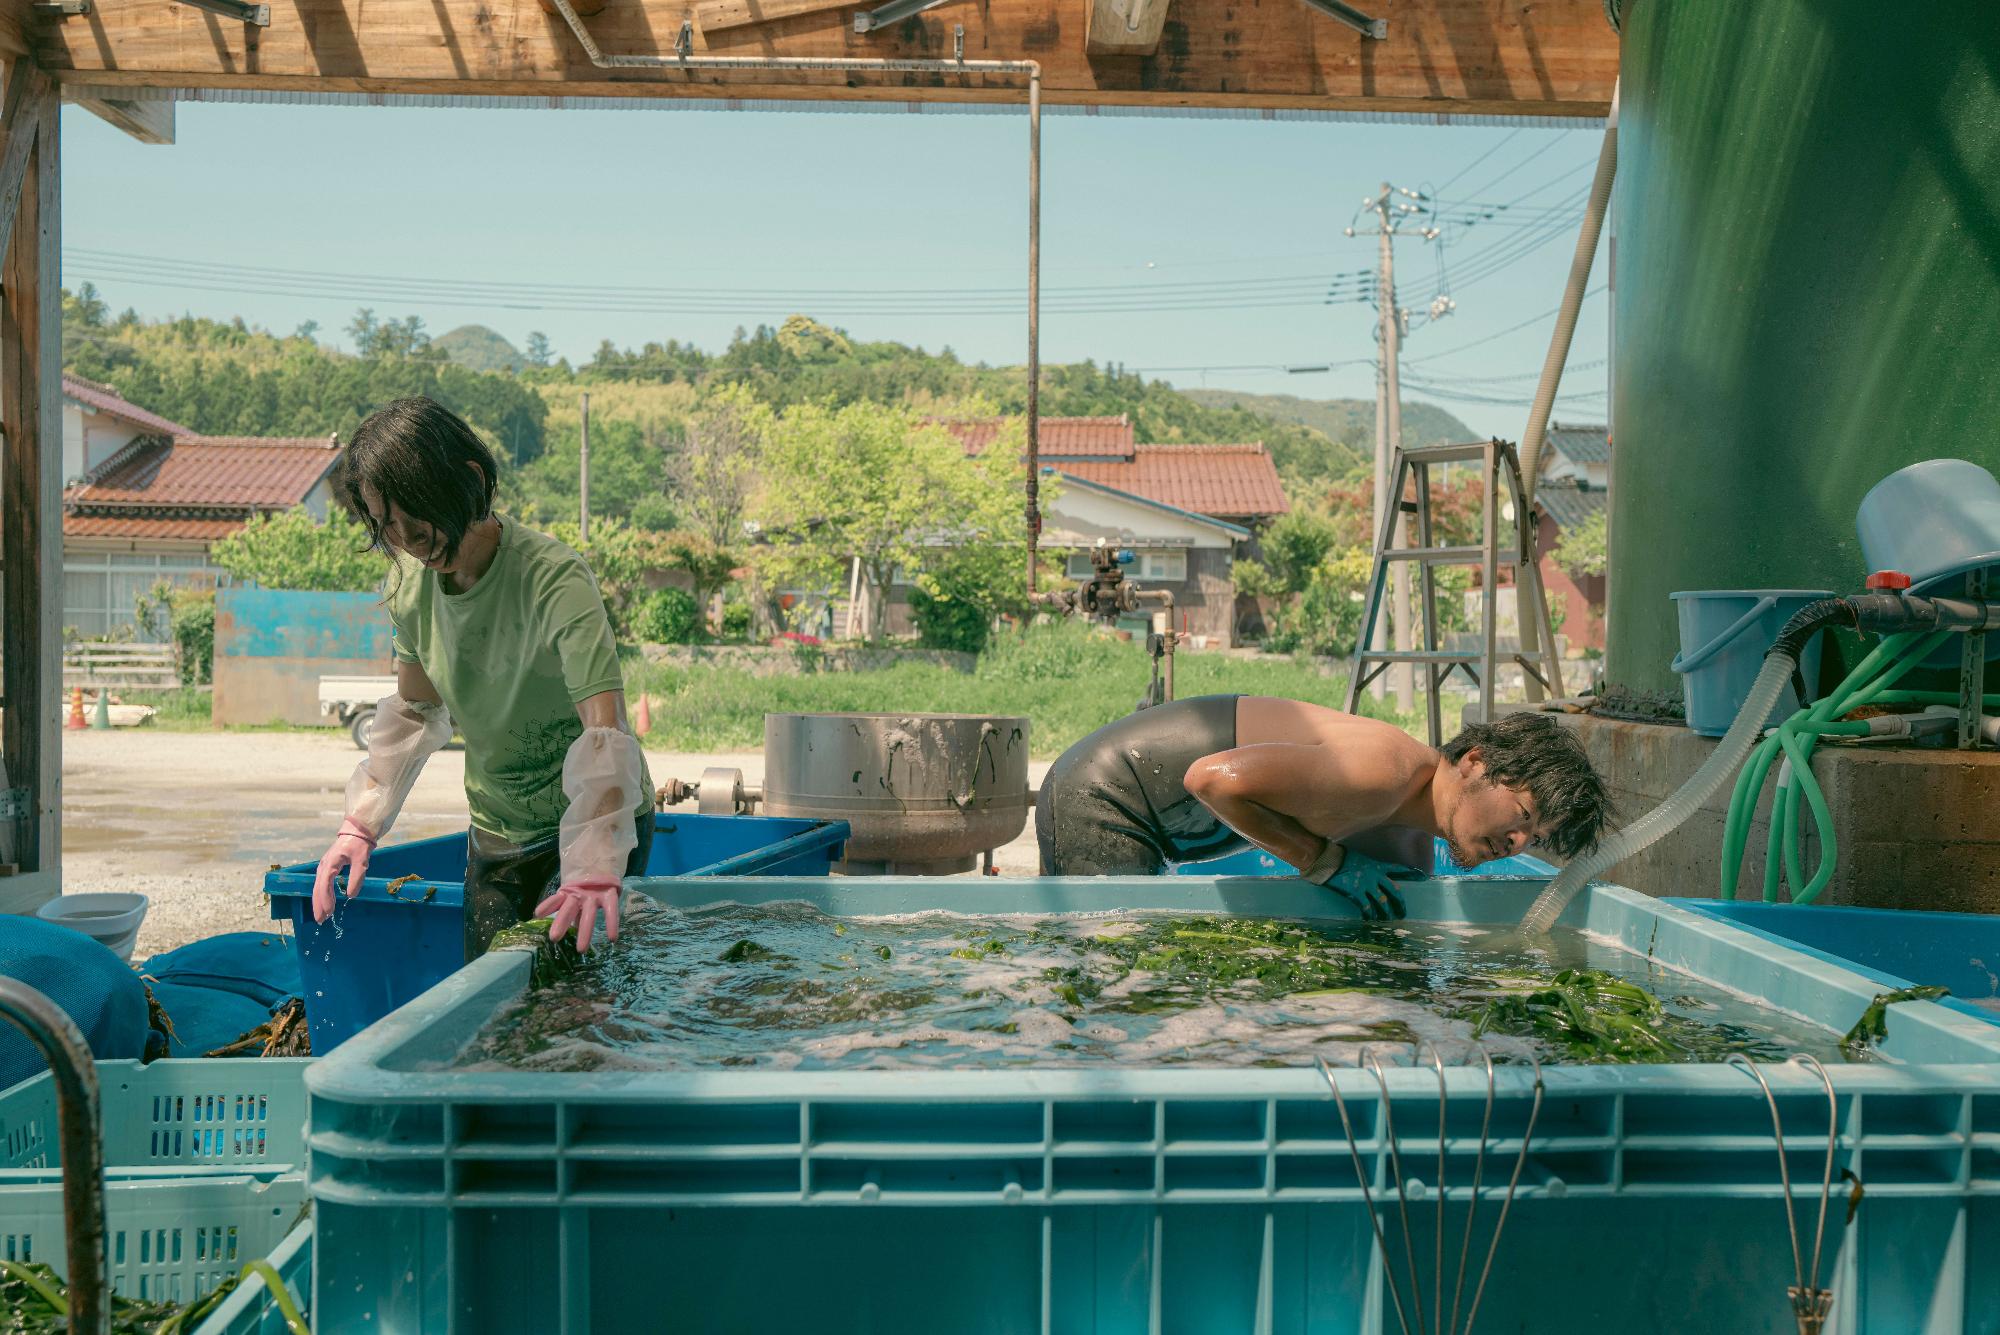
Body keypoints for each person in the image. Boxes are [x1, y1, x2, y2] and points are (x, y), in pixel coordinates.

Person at [310, 396, 653, 957]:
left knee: (576, 991)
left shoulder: (554, 579)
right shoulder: (407, 587)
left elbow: (606, 729)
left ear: (470, 480)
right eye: (387, 523)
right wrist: (360, 825)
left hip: (593, 820)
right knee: (494, 988)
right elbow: (415, 712)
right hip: (498, 828)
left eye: (416, 514)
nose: (408, 539)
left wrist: (595, 862)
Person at [1035, 696, 1610, 918]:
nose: (1517, 843)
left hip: (1153, 817)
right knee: (1112, 986)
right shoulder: (1381, 773)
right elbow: (1210, 780)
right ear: (1475, 762)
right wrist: (1323, 861)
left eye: (1535, 839)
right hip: (1106, 793)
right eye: (1523, 815)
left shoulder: (1406, 829)